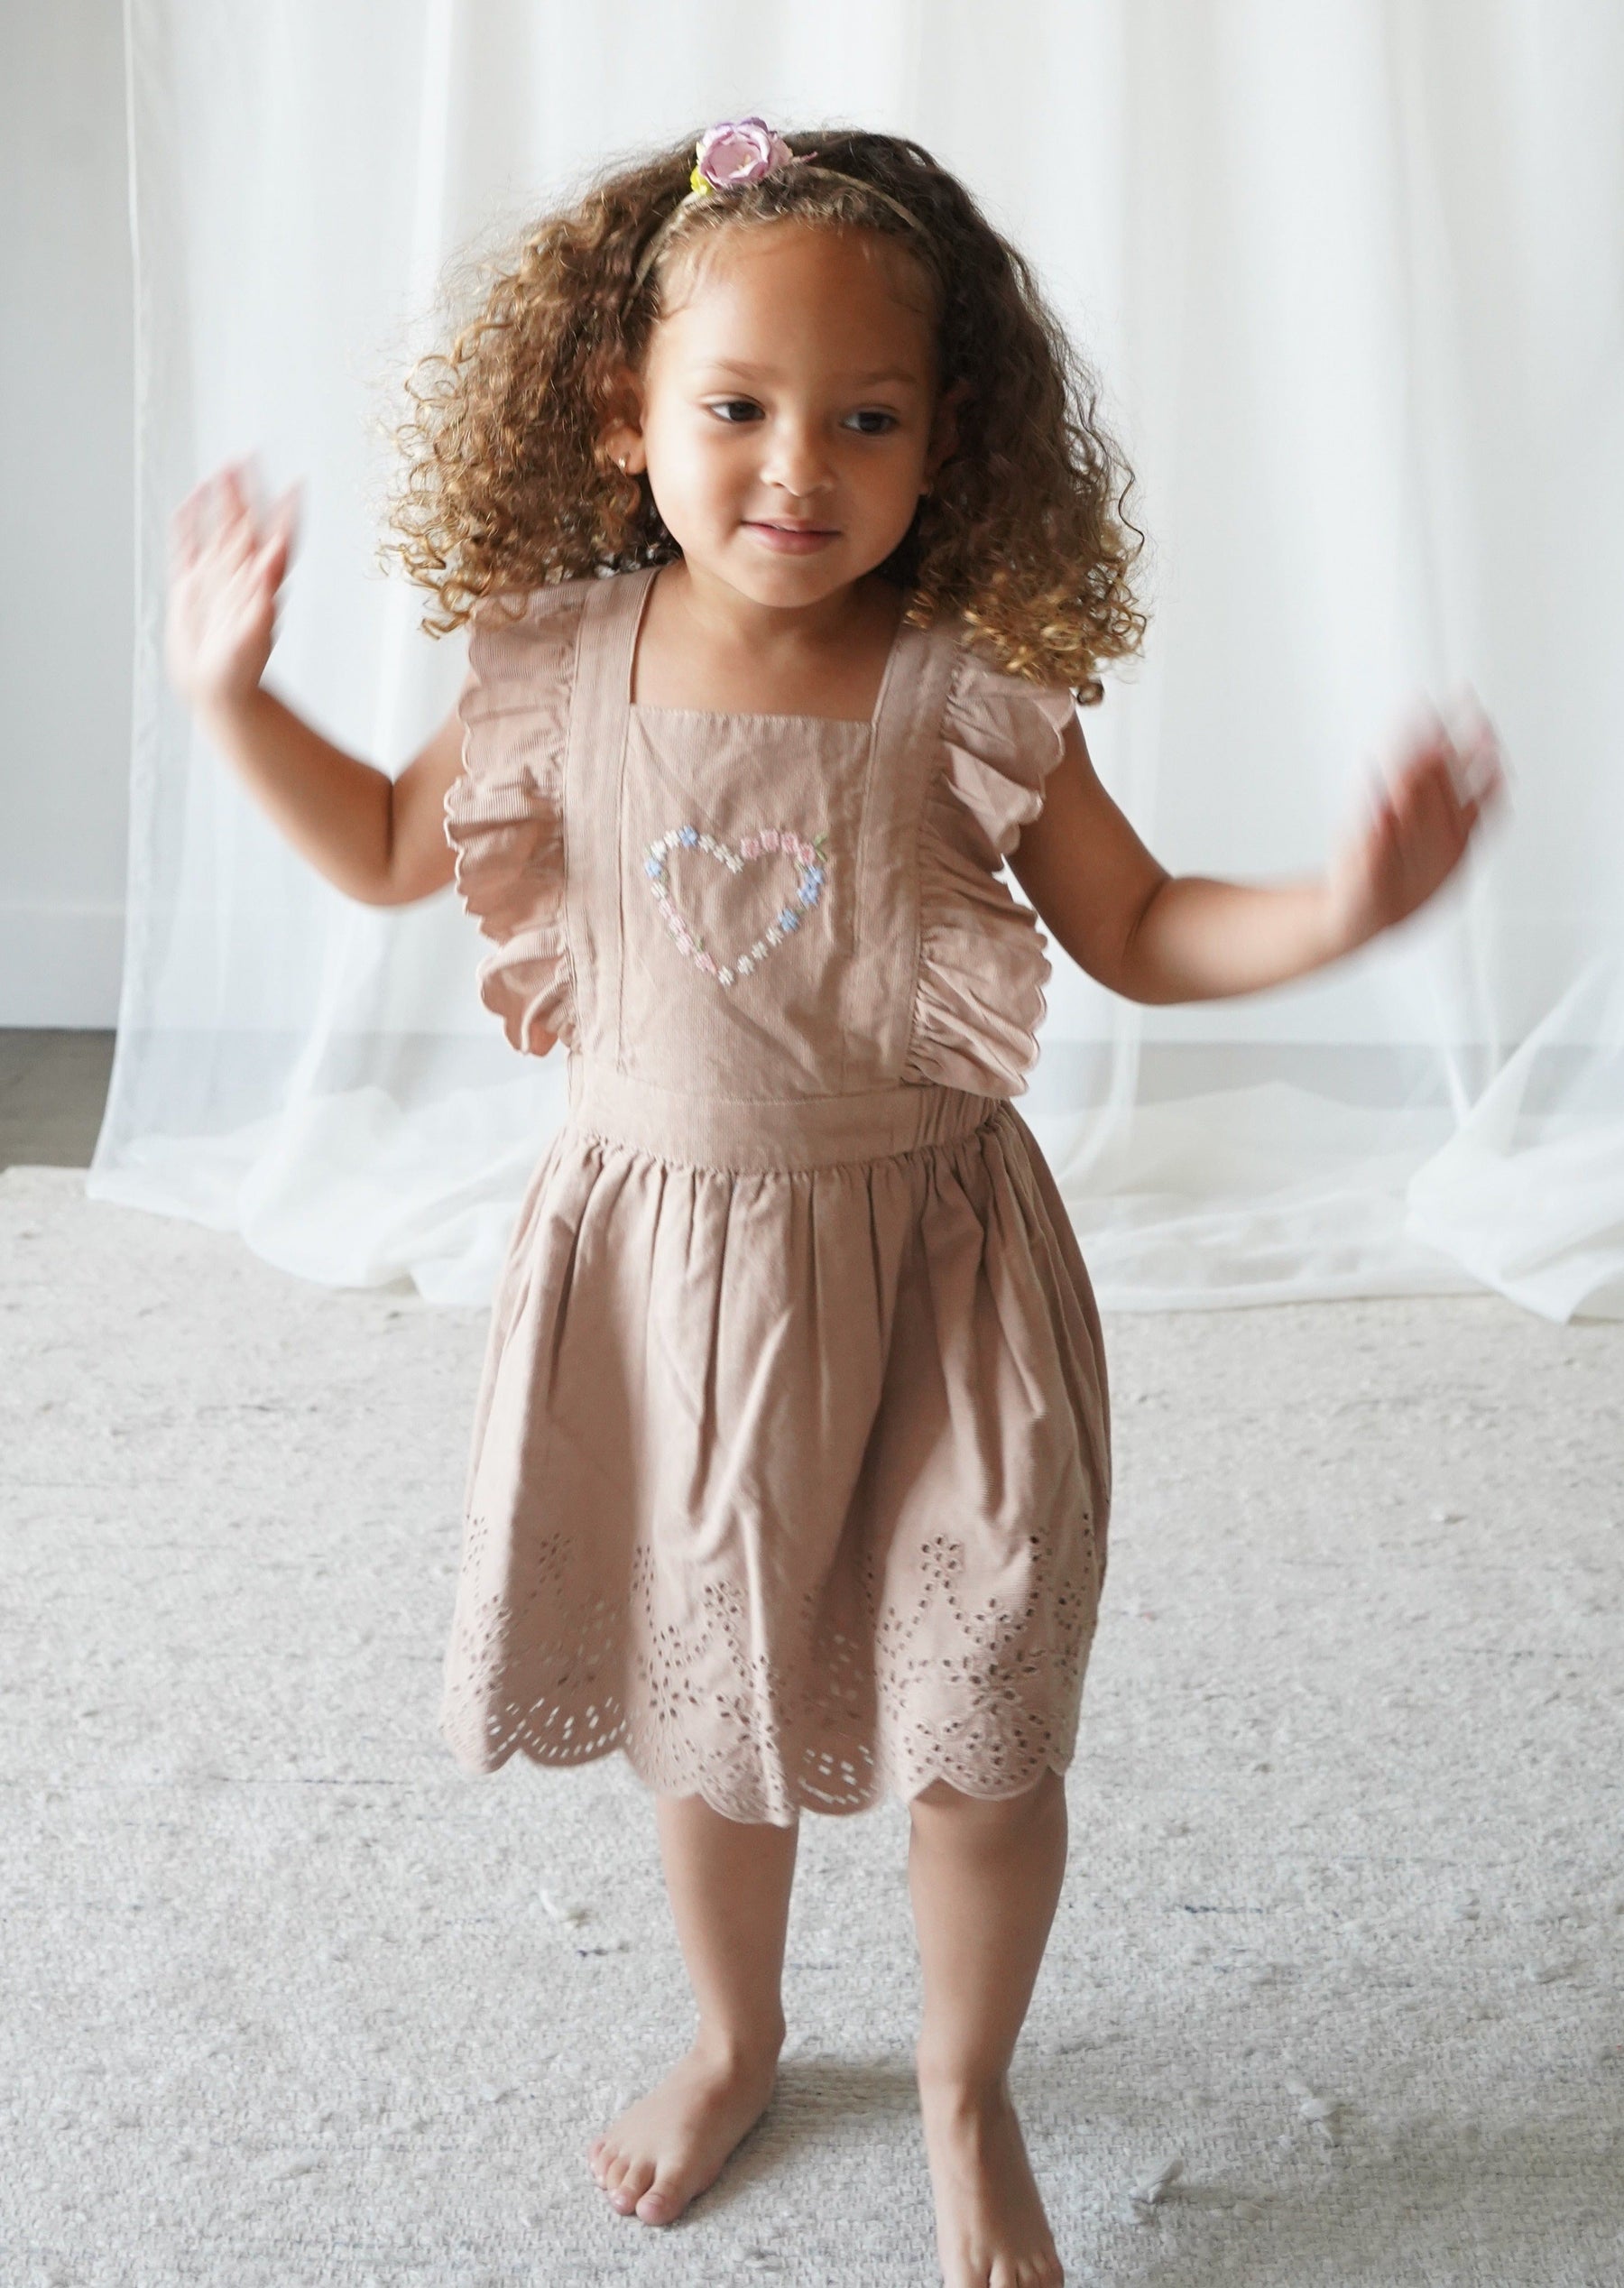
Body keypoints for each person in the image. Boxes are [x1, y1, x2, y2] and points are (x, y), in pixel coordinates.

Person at [165, 117, 1503, 2288]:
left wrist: (1344, 904)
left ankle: (970, 2086)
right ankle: (738, 2029)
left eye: (866, 418)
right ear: (622, 410)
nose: (801, 465)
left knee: (986, 1724)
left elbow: (1142, 926)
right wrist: (231, 694)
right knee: (714, 1716)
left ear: (947, 436)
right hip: (666, 1299)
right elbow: (385, 851)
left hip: (940, 1290)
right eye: (739, 407)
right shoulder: (554, 665)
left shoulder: (968, 689)